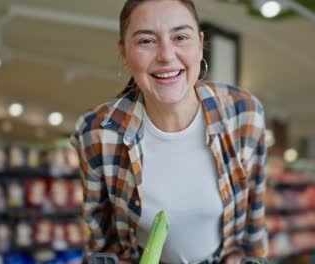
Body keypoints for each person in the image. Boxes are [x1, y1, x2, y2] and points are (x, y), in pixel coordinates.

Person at [70, 0, 268, 263]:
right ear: (124, 52)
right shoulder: (96, 133)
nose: (166, 54)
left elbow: (253, 230)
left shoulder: (244, 114)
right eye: (146, 41)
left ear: (199, 44)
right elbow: (102, 243)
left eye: (180, 37)